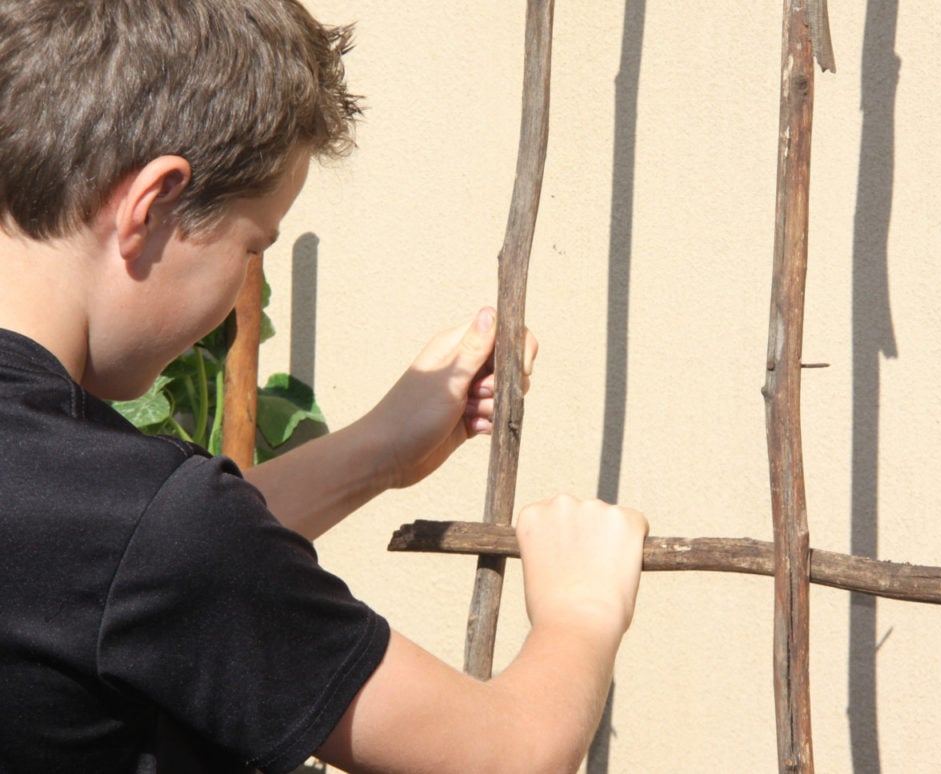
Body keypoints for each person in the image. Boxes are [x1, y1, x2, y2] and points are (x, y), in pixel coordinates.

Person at [0, 1, 649, 772]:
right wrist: (582, 609)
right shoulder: (140, 529)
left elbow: (102, 576)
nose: (241, 281)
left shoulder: (95, 520)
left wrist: (378, 451)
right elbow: (509, 755)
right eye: (251, 245)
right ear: (153, 206)